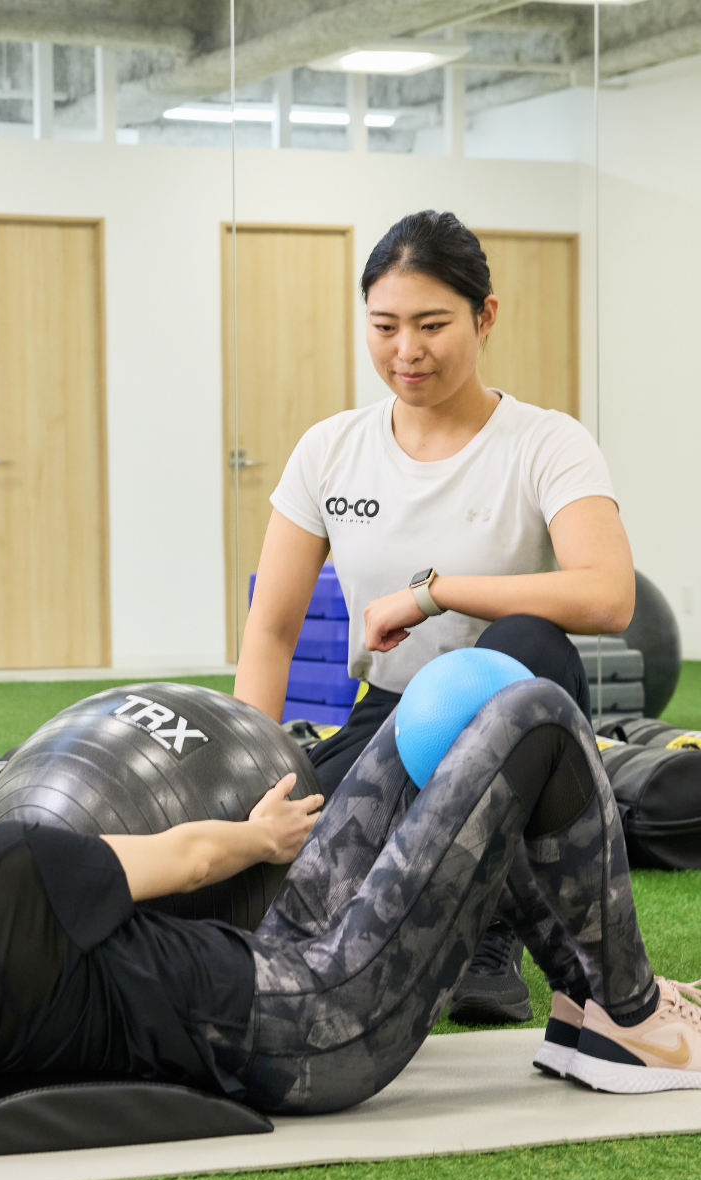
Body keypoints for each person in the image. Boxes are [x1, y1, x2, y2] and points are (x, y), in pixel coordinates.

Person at [0, 679, 701, 1158]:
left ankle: (583, 1008)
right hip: (322, 1018)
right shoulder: (4, 867)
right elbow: (190, 857)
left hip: (266, 974)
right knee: (534, 713)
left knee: (426, 741)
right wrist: (261, 834)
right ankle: (631, 1012)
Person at [233, 210, 635, 1024]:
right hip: (391, 712)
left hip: (515, 708)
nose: (406, 350)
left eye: (432, 324)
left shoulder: (546, 443)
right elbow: (270, 631)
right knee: (281, 884)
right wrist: (249, 789)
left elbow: (606, 594)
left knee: (523, 644)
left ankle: (494, 925)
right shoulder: (330, 449)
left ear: (485, 317)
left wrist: (437, 592)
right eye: (384, 326)